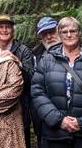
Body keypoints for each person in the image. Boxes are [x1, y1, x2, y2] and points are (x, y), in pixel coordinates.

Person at [31, 17, 82, 148]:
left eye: (73, 31)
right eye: (64, 31)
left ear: (79, 33)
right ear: (60, 34)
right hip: (55, 135)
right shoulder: (46, 61)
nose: (69, 35)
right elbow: (37, 92)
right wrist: (59, 120)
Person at [0, 14, 35, 148]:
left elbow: (32, 79)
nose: (4, 30)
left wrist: (18, 63)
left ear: (13, 30)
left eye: (8, 27)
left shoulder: (23, 50)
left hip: (19, 109)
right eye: (0, 27)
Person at [29, 16, 60, 145]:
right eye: (44, 34)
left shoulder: (76, 52)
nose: (49, 37)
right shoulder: (35, 55)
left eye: (52, 32)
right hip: (43, 116)